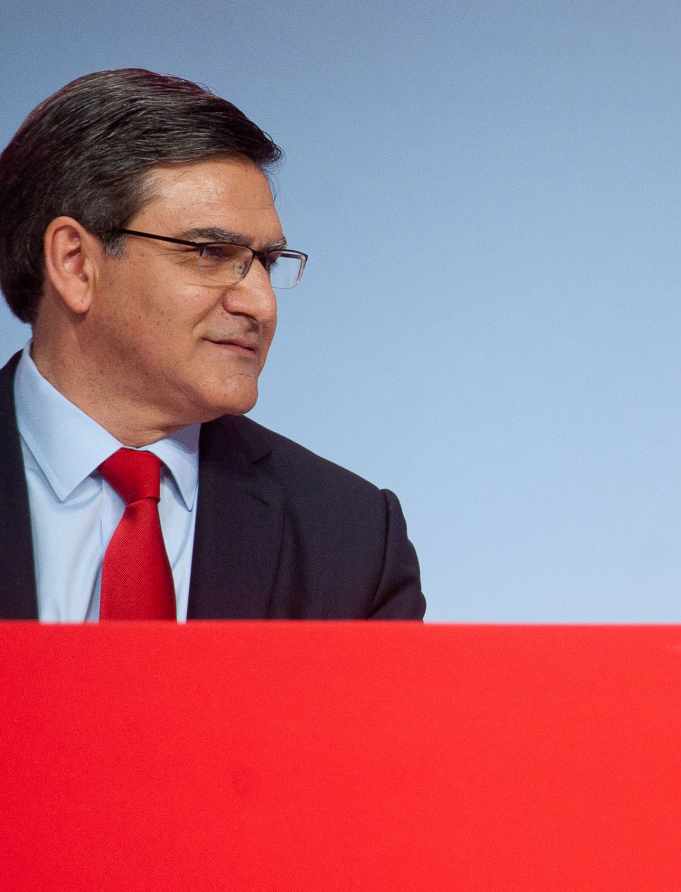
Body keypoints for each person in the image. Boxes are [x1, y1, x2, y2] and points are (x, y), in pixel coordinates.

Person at [0, 69, 424, 620]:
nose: (261, 305)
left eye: (267, 263)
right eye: (209, 254)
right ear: (76, 264)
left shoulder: (350, 537)